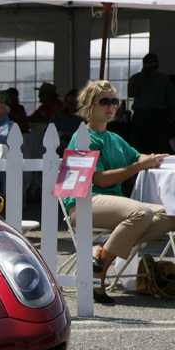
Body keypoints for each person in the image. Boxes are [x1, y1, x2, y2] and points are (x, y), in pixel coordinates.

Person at [63, 80, 175, 304]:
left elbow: (138, 157)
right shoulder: (83, 137)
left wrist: (157, 159)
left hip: (110, 204)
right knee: (142, 213)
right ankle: (100, 275)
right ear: (89, 106)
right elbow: (100, 181)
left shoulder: (114, 138)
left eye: (115, 101)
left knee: (170, 215)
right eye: (105, 101)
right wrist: (138, 166)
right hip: (83, 203)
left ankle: (102, 253)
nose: (111, 106)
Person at [128, 53, 175, 155]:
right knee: (139, 145)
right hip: (141, 116)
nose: (153, 70)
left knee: (159, 145)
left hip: (159, 116)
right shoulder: (136, 78)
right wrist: (142, 77)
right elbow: (131, 93)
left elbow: (171, 100)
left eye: (155, 67)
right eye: (150, 67)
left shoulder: (164, 80)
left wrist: (173, 117)